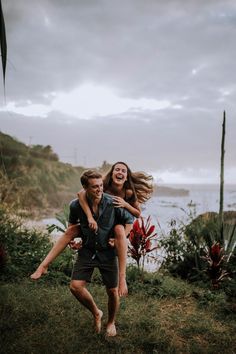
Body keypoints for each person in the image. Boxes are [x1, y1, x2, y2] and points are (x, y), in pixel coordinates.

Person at [34, 170, 135, 336]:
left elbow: (129, 220)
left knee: (112, 291)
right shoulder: (75, 205)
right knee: (75, 287)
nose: (99, 190)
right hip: (87, 250)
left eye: (101, 185)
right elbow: (72, 226)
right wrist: (76, 240)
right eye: (95, 187)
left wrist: (121, 236)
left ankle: (111, 322)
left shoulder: (112, 202)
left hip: (108, 252)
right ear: (85, 188)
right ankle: (96, 312)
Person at [31, 162, 153, 297]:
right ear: (111, 173)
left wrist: (125, 206)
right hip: (96, 223)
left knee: (118, 229)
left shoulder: (128, 191)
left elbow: (135, 215)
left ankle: (122, 278)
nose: (120, 172)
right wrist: (89, 218)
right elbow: (81, 194)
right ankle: (44, 265)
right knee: (71, 231)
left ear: (126, 176)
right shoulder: (103, 185)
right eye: (117, 169)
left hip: (117, 226)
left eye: (123, 171)